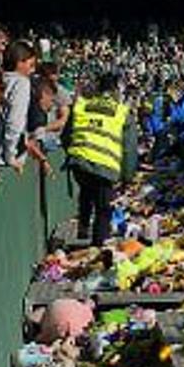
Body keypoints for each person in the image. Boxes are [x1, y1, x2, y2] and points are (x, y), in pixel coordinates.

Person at [63, 70, 137, 248]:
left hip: (79, 163)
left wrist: (75, 153)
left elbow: (66, 136)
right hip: (105, 168)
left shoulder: (81, 105)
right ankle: (97, 250)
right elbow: (129, 149)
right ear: (116, 91)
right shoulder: (122, 112)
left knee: (87, 190)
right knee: (104, 210)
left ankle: (83, 225)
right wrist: (127, 177)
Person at [0, 39, 39, 170]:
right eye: (31, 65)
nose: (33, 70)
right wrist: (10, 156)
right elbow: (15, 123)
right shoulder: (21, 83)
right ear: (20, 63)